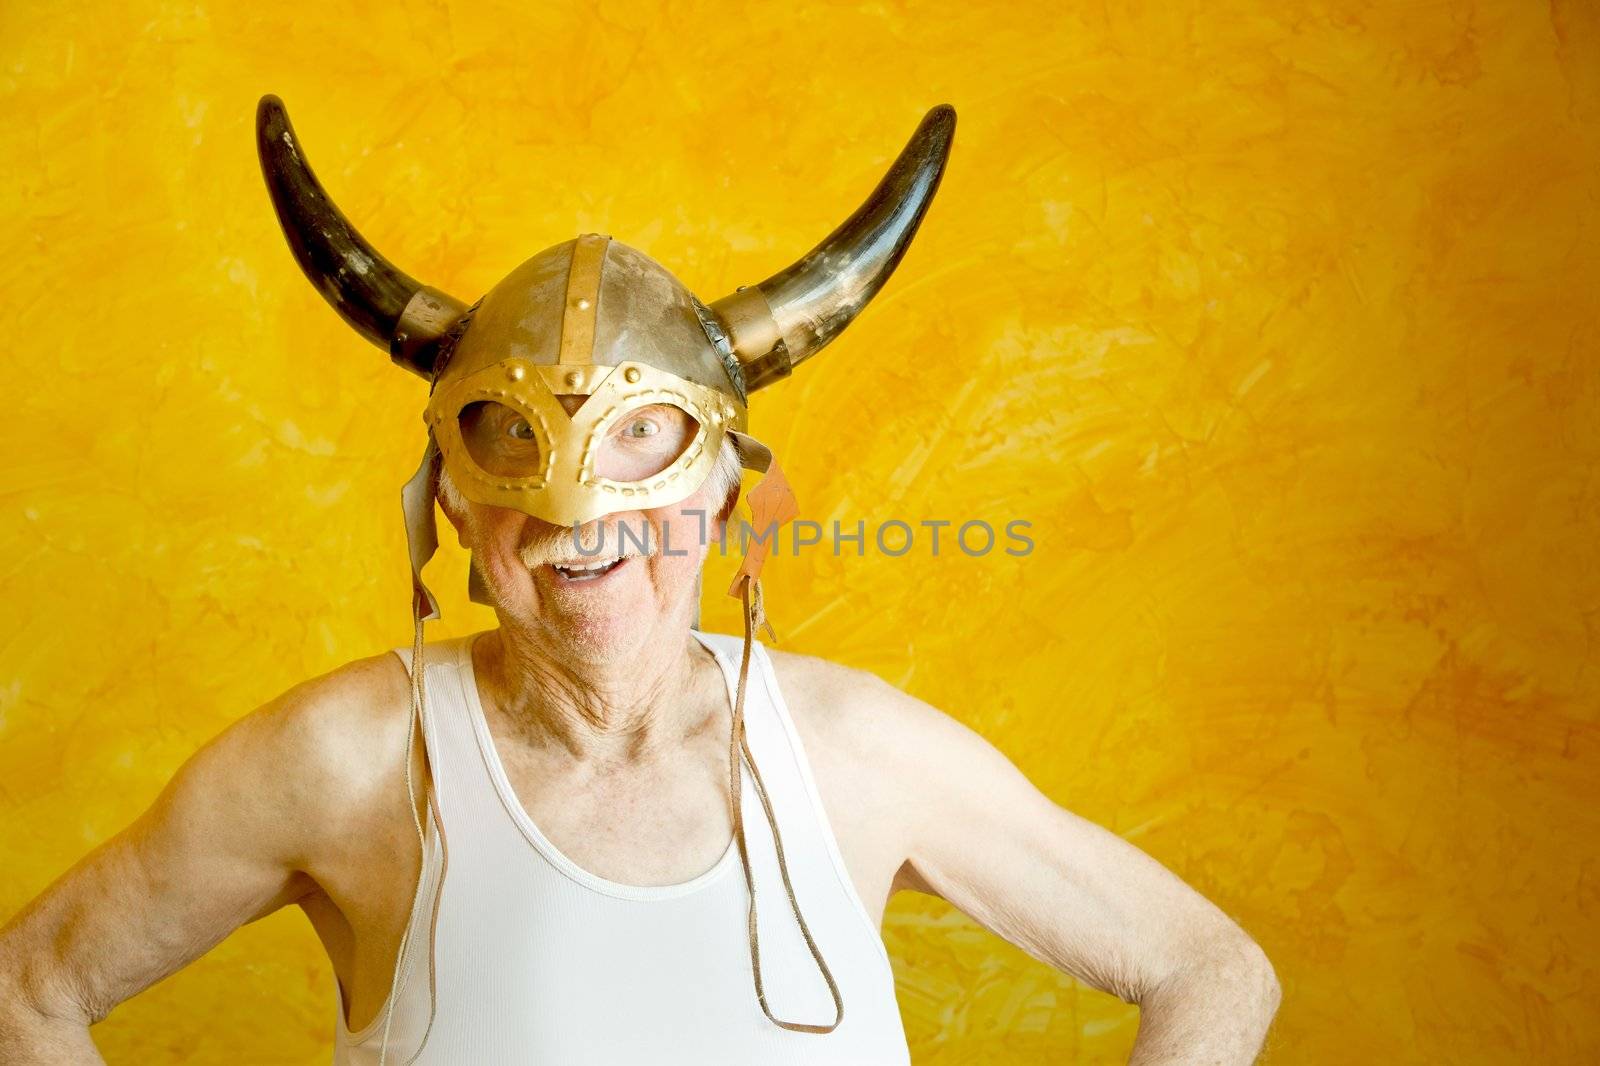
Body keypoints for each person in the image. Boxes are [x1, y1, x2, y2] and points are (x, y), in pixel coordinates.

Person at [0, 96, 1280, 1065]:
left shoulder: (857, 753)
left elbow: (1209, 967)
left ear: (723, 490)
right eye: (515, 444)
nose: (581, 515)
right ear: (451, 498)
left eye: (641, 445)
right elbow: (30, 989)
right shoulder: (343, 760)